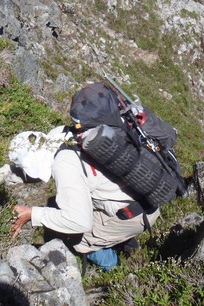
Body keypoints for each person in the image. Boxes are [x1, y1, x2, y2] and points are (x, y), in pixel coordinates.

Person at [9, 83, 162, 271]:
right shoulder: (60, 135)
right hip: (141, 195)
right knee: (63, 206)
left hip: (134, 213)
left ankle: (117, 269)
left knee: (77, 238)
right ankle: (123, 240)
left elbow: (79, 221)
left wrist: (33, 213)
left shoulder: (63, 165)